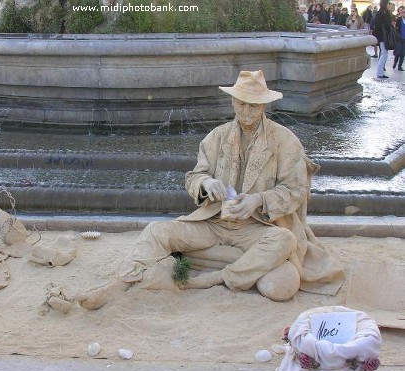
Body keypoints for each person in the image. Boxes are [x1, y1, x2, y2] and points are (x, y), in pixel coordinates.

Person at [51, 71, 345, 311]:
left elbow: (295, 190)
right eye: (241, 103)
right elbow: (194, 176)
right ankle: (120, 284)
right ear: (232, 103)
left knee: (284, 245)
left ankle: (216, 276)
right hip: (213, 223)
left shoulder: (285, 141)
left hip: (258, 227)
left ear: (264, 105)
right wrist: (206, 184)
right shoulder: (216, 138)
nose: (246, 111)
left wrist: (259, 199)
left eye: (253, 105)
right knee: (157, 231)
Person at [372, 0, 393, 78]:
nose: (390, 5)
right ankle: (379, 73)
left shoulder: (382, 12)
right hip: (383, 36)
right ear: (385, 4)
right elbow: (384, 25)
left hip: (382, 36)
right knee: (384, 53)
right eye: (389, 3)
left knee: (384, 53)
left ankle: (380, 72)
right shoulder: (383, 13)